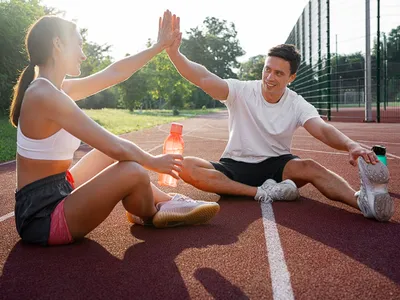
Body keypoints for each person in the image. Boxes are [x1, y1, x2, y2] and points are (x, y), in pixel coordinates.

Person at [10, 11, 220, 247]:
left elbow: (115, 73)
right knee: (134, 171)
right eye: (78, 45)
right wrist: (154, 162)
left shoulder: (56, 89)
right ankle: (147, 210)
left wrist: (158, 46)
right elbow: (114, 145)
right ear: (58, 44)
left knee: (110, 158)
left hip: (58, 188)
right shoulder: (44, 95)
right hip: (42, 218)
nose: (83, 55)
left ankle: (165, 203)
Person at [163, 16, 394, 222]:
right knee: (184, 165)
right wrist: (174, 54)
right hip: (234, 165)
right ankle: (261, 193)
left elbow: (321, 129)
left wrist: (350, 145)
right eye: (267, 69)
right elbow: (202, 77)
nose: (269, 77)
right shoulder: (241, 91)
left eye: (279, 73)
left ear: (291, 77)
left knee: (310, 167)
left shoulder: (296, 103)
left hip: (278, 166)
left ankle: (363, 203)